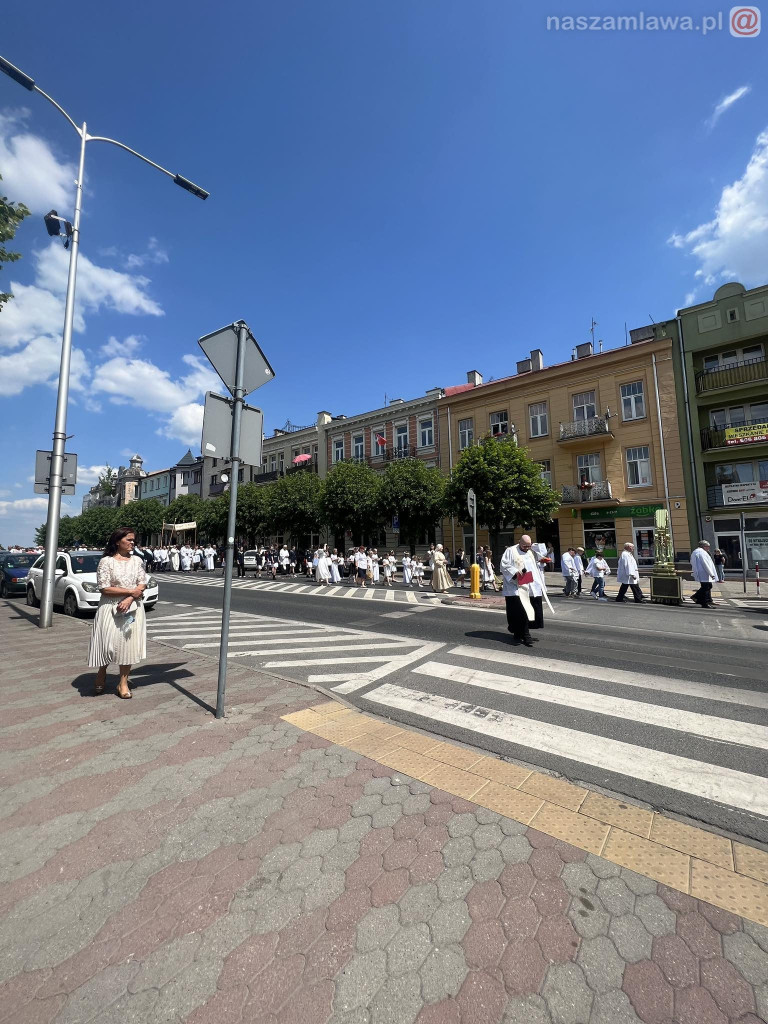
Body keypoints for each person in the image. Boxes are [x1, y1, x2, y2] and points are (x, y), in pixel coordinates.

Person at [88, 527, 148, 699]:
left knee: (127, 645)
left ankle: (123, 682)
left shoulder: (137, 560)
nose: (132, 542)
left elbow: (142, 583)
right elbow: (104, 588)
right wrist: (131, 592)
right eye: (128, 539)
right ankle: (102, 671)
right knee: (107, 643)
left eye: (133, 540)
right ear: (117, 541)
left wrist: (130, 598)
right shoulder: (106, 562)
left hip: (132, 608)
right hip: (110, 607)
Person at [500, 534, 547, 647]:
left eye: (529, 546)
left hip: (530, 585)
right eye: (525, 546)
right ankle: (526, 635)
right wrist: (516, 573)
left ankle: (518, 633)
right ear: (519, 542)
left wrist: (541, 561)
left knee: (530, 610)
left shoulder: (530, 552)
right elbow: (504, 565)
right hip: (516, 587)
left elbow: (535, 564)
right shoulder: (511, 551)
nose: (527, 548)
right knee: (521, 611)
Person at [691, 540, 718, 608]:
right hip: (704, 572)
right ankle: (703, 602)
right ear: (703, 546)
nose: (708, 548)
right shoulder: (701, 552)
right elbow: (705, 563)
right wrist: (711, 573)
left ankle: (705, 599)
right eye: (707, 546)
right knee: (706, 587)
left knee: (708, 586)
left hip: (701, 572)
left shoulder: (696, 551)